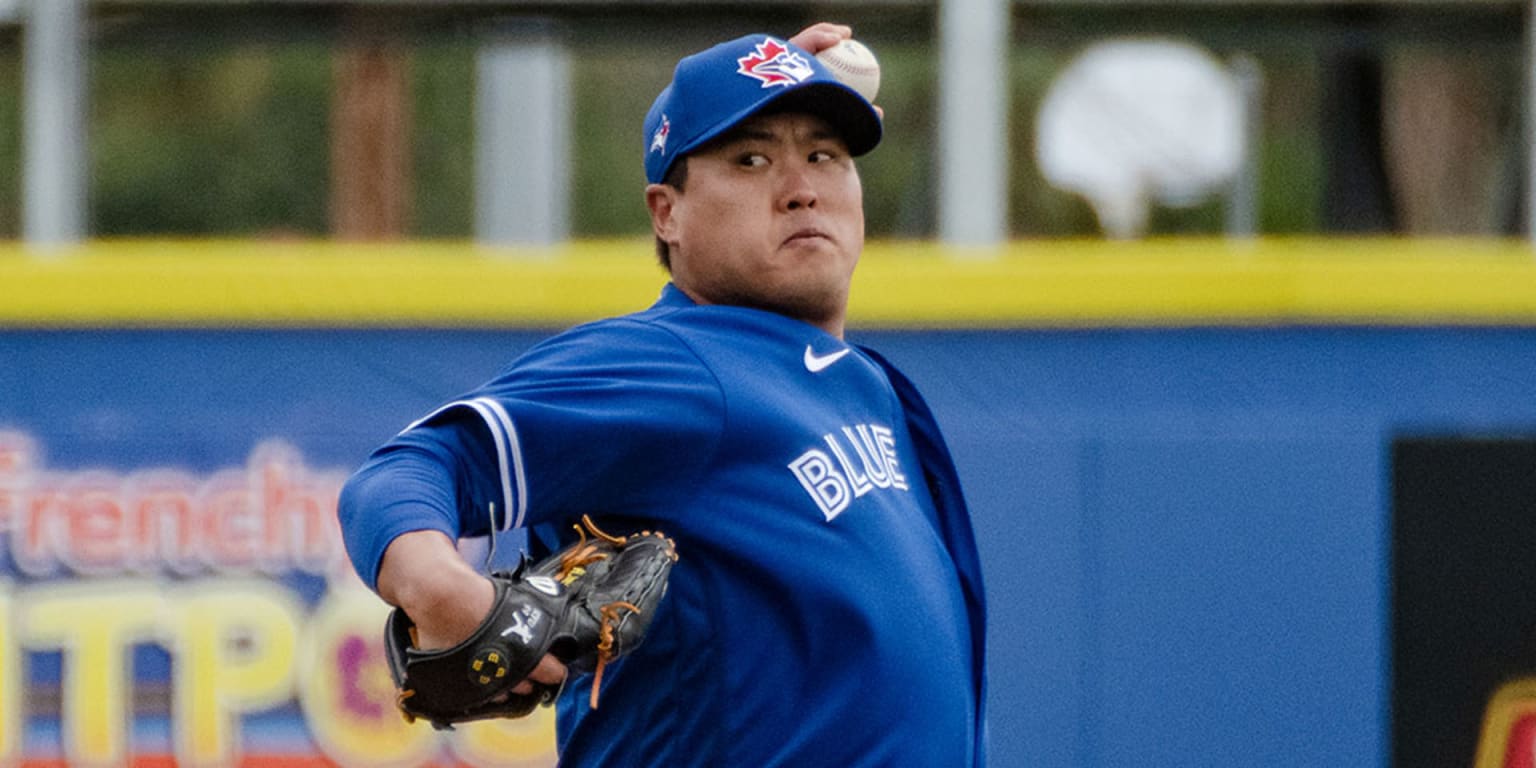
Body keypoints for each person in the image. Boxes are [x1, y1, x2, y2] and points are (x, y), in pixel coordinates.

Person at [338, 22, 987, 766]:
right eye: (750, 160)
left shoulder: (861, 384)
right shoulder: (676, 363)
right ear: (666, 212)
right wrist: (439, 587)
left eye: (824, 155)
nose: (802, 190)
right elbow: (407, 469)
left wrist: (767, 77)